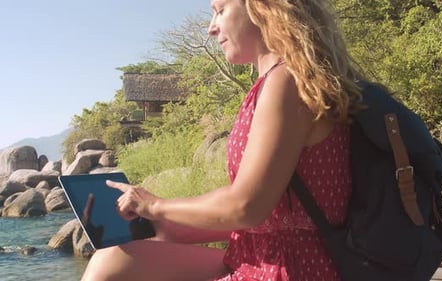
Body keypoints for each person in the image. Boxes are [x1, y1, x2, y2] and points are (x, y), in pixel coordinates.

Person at [82, 0, 365, 280]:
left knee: (108, 268)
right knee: (112, 261)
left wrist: (156, 206)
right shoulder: (275, 80)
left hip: (290, 266)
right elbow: (268, 212)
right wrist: (165, 223)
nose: (211, 28)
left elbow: (246, 206)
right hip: (260, 254)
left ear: (262, 7)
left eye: (220, 11)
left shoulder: (286, 81)